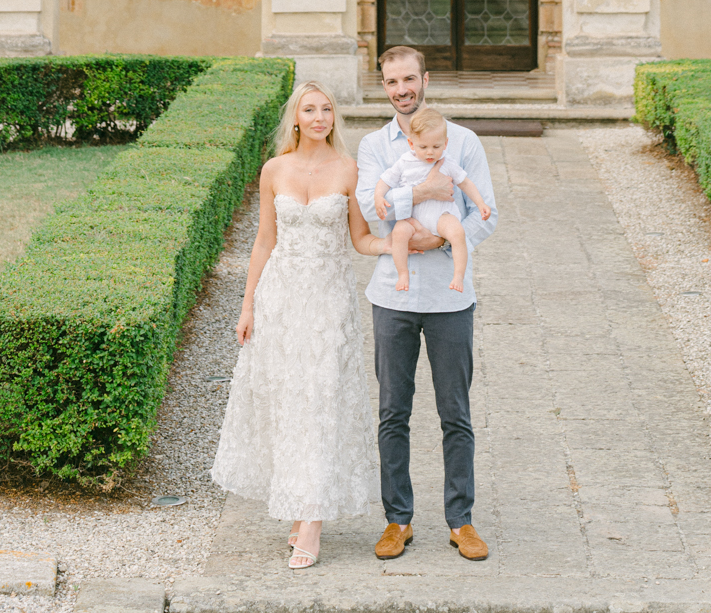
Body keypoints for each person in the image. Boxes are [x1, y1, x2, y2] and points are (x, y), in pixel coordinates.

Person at [212, 80, 390, 573]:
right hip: (281, 302)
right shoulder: (275, 169)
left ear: (335, 117)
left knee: (322, 401)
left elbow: (361, 239)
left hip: (329, 305)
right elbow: (264, 242)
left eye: (326, 109)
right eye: (310, 109)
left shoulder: (349, 170)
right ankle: (299, 504)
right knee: (290, 402)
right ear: (295, 118)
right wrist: (247, 306)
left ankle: (311, 520)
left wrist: (400, 245)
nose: (319, 117)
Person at [356, 45, 497, 564]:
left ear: (425, 79)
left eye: (410, 79)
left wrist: (436, 239)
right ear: (384, 86)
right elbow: (373, 219)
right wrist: (426, 193)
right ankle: (398, 520)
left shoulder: (463, 141)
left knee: (454, 413)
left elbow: (487, 213)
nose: (402, 90)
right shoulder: (374, 146)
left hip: (450, 300)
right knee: (393, 411)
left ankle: (461, 521)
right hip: (392, 297)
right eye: (393, 82)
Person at [373, 107, 491, 294]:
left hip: (441, 214)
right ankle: (403, 273)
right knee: (399, 233)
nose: (430, 152)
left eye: (436, 147)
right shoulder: (404, 162)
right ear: (411, 143)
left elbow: (466, 183)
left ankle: (458, 275)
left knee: (457, 233)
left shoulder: (447, 161)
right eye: (423, 147)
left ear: (445, 143)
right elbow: (385, 180)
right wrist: (378, 196)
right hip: (413, 217)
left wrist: (481, 203)